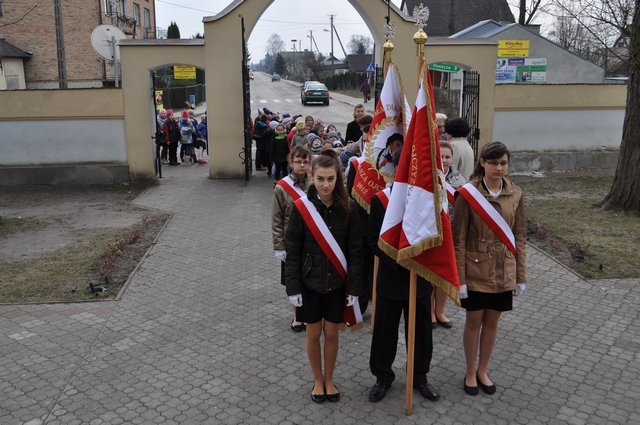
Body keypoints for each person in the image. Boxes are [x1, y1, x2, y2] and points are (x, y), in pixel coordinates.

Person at [285, 149, 364, 404]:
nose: (326, 184)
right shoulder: (301, 208)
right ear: (312, 176)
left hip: (337, 284)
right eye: (320, 179)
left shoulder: (348, 208)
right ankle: (317, 381)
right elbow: (293, 250)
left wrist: (355, 288)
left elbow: (355, 250)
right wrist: (293, 288)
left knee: (332, 334)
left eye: (331, 179)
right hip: (310, 283)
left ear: (338, 178)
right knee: (312, 334)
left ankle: (329, 379)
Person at [452, 141, 527, 396]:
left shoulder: (515, 194)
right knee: (474, 321)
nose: (499, 168)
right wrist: (459, 279)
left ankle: (483, 369)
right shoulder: (468, 194)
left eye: (503, 163)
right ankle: (470, 371)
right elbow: (458, 240)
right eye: (493, 162)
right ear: (482, 163)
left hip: (503, 270)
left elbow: (520, 236)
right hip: (475, 270)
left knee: (493, 322)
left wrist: (521, 276)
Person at [368, 148, 440, 403]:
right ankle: (382, 378)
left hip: (418, 277)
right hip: (390, 276)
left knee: (421, 331)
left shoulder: (426, 201)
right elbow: (373, 241)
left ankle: (419, 377)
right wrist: (400, 261)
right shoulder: (380, 201)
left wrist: (418, 258)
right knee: (385, 331)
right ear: (395, 170)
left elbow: (433, 237)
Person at [272, 146, 313, 333]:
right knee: (294, 280)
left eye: (305, 161)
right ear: (291, 163)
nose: (302, 165)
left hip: (313, 240)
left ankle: (310, 314)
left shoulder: (315, 183)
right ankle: (297, 316)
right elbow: (277, 219)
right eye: (298, 161)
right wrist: (279, 246)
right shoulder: (282, 187)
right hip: (291, 243)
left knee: (310, 278)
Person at [430, 141, 466, 329]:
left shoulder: (460, 181)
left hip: (450, 235)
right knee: (429, 275)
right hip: (430, 235)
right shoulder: (426, 178)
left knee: (444, 275)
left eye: (447, 157)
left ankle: (440, 311)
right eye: (440, 156)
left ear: (452, 159)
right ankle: (429, 311)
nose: (443, 160)